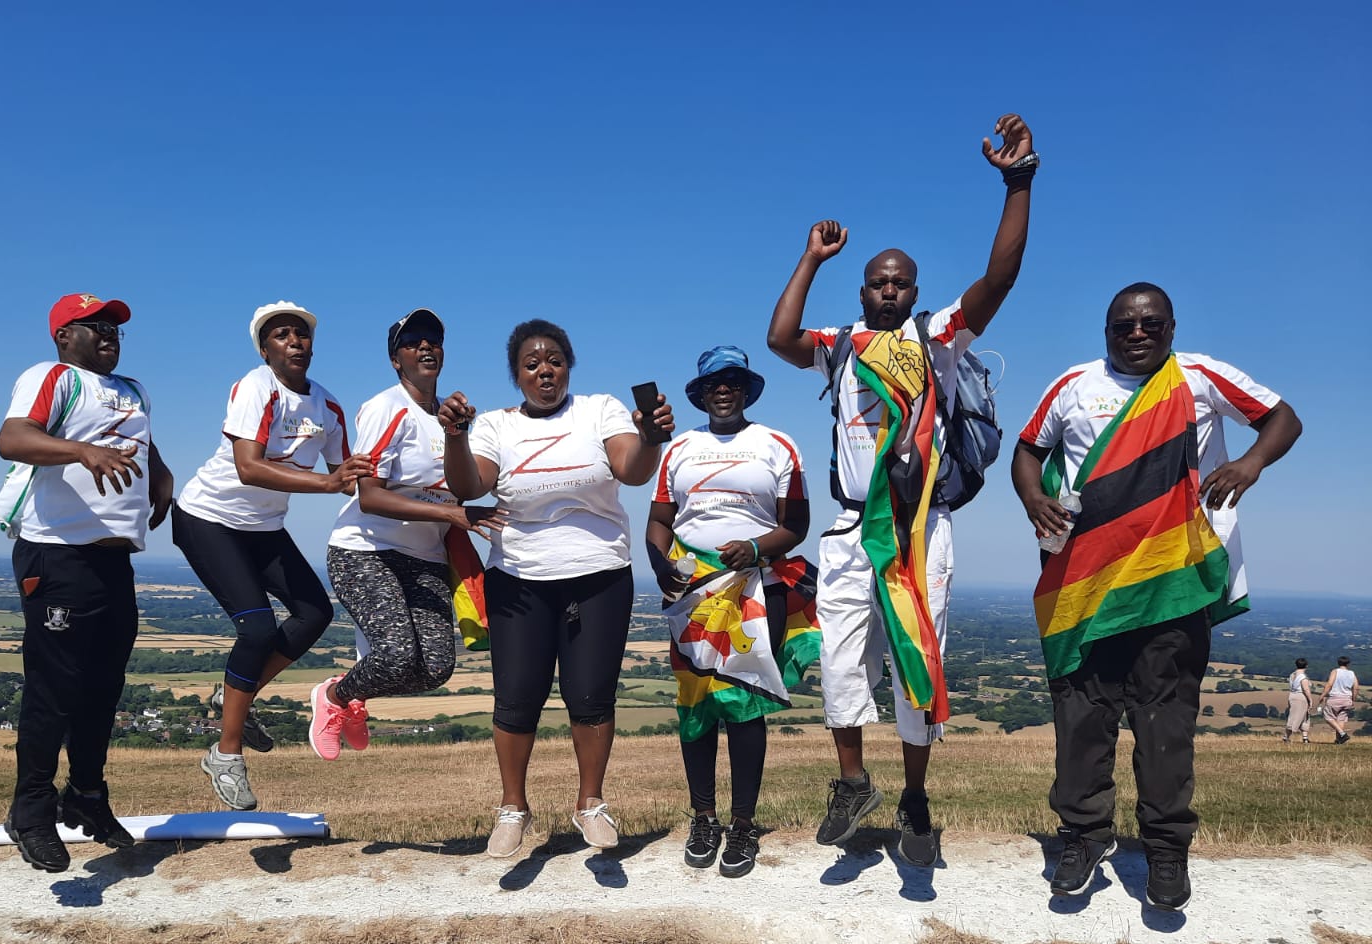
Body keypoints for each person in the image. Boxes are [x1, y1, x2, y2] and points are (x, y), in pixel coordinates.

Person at [766, 113, 1038, 868]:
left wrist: (1018, 183)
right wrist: (810, 258)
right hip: (852, 530)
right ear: (863, 290)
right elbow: (779, 339)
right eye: (878, 283)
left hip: (920, 530)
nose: (888, 292)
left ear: (914, 291)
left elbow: (1002, 278)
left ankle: (916, 796)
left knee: (918, 664)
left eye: (900, 283)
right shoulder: (841, 349)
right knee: (843, 665)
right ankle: (853, 783)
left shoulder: (938, 338)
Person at [1013, 282, 1302, 910]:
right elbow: (1028, 449)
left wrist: (1250, 465)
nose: (1137, 334)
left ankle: (1167, 851)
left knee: (1164, 721)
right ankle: (1084, 837)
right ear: (1106, 330)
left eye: (1150, 324)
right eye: (1124, 325)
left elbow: (1283, 417)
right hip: (1085, 582)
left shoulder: (1199, 377)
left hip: (1170, 582)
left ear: (1171, 328)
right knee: (1082, 718)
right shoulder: (1072, 385)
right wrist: (1033, 498)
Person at [439, 319, 673, 857]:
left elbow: (631, 471)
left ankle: (590, 803)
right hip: (519, 577)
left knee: (591, 695)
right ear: (517, 375)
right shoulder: (497, 425)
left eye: (554, 361)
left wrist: (651, 439)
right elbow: (469, 485)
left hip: (599, 575)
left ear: (569, 365)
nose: (545, 371)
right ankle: (513, 807)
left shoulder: (599, 410)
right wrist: (455, 436)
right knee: (516, 698)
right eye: (531, 364)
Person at [0, 292, 174, 871]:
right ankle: (31, 810)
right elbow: (12, 439)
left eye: (114, 326)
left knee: (102, 685)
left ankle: (88, 797)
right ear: (62, 336)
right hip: (57, 556)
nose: (108, 334)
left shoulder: (134, 390)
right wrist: (80, 452)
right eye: (92, 326)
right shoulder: (52, 376)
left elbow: (138, 442)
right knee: (54, 687)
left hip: (113, 560)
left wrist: (161, 478)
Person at [172, 301, 372, 810]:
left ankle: (232, 700)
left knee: (314, 613)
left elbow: (350, 476)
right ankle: (226, 753)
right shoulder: (255, 388)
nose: (296, 342)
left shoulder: (326, 407)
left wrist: (427, 502)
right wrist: (328, 482)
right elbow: (249, 467)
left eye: (302, 334)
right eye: (282, 335)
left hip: (262, 528)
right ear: (266, 350)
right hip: (207, 518)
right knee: (257, 628)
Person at [646, 346, 812, 877]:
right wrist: (658, 564)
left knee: (744, 709)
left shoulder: (777, 445)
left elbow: (796, 525)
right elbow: (658, 524)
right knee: (695, 707)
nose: (724, 389)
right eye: (714, 382)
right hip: (692, 592)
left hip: (755, 591)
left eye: (733, 381)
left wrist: (759, 549)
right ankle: (703, 817)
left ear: (746, 389)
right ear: (700, 392)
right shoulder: (679, 449)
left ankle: (742, 825)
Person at [317, 309, 505, 758]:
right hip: (365, 551)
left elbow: (454, 487)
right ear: (395, 360)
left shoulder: (446, 420)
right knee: (398, 655)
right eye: (412, 341)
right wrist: (455, 516)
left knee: (436, 667)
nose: (425, 346)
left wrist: (467, 507)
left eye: (433, 339)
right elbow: (370, 497)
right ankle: (334, 698)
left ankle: (352, 690)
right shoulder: (388, 408)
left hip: (425, 558)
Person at [1321, 656, 1359, 744]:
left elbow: (1330, 684)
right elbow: (1356, 687)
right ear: (1348, 664)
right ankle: (1339, 740)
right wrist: (1353, 698)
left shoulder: (1335, 671)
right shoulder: (1352, 673)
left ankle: (1342, 734)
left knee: (1328, 716)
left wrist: (1323, 695)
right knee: (1341, 719)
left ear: (1338, 663)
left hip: (1335, 697)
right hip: (1347, 699)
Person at [1283, 658, 1314, 744]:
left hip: (1292, 696)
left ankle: (1305, 737)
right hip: (1300, 697)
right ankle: (1286, 736)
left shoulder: (1292, 675)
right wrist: (1310, 700)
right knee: (1295, 717)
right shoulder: (1303, 677)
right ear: (1306, 665)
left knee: (1304, 716)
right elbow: (1306, 689)